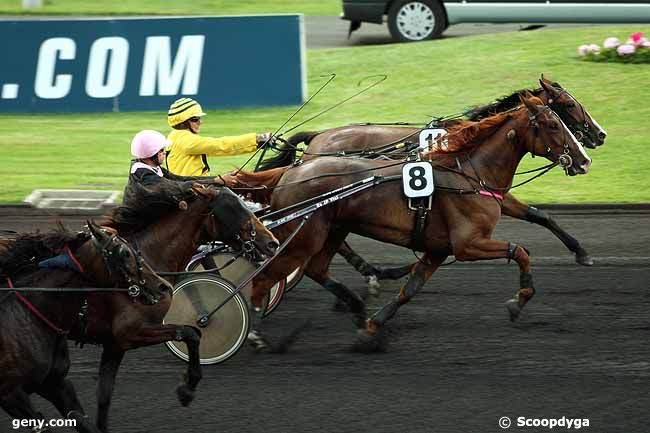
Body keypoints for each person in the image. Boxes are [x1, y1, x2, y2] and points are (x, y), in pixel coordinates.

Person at [165, 97, 273, 176]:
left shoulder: (175, 137)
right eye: (195, 119)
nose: (200, 122)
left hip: (190, 187)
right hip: (194, 191)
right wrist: (257, 139)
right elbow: (221, 145)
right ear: (183, 122)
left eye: (199, 118)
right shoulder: (186, 141)